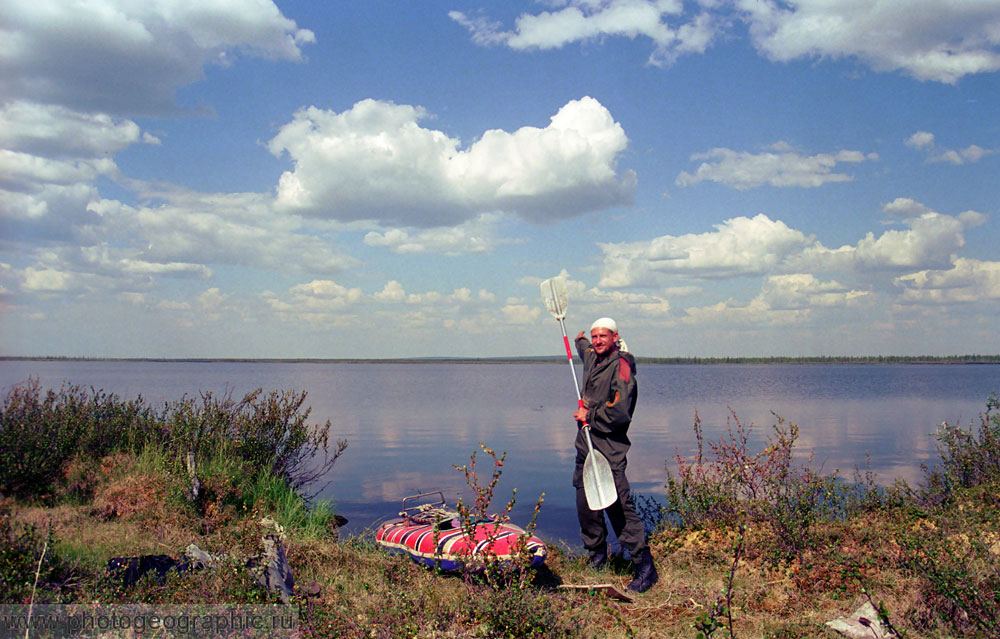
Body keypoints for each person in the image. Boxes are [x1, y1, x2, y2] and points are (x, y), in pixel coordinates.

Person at [572, 317, 658, 593]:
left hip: (608, 448)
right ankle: (596, 557)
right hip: (586, 445)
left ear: (615, 338)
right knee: (586, 504)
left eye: (603, 337)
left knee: (618, 506)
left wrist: (590, 414)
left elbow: (620, 414)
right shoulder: (593, 357)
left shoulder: (621, 367)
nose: (597, 341)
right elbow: (585, 350)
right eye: (595, 337)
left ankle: (644, 566)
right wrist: (577, 340)